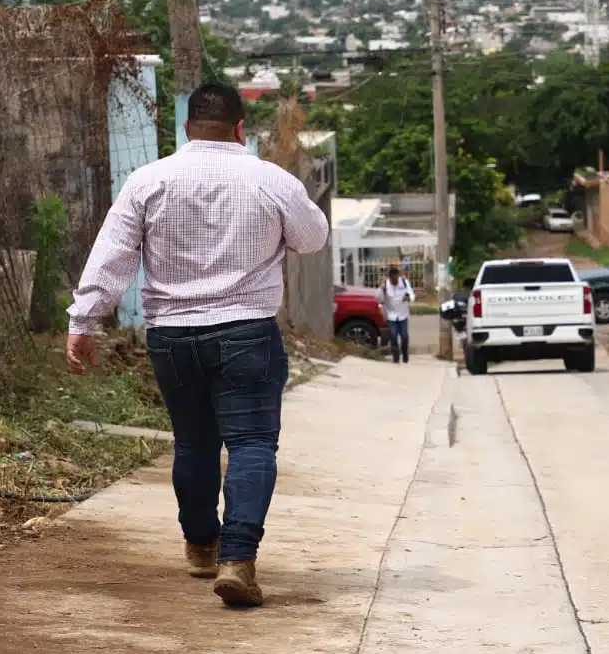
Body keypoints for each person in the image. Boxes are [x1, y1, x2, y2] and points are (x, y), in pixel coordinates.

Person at [65, 81, 329, 609]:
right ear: (239, 129)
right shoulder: (268, 179)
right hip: (246, 333)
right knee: (252, 444)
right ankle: (238, 559)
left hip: (172, 336)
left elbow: (113, 252)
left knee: (193, 444)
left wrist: (84, 320)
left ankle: (201, 545)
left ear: (187, 128)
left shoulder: (149, 180)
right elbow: (313, 238)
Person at [380, 265, 414, 363]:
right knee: (393, 336)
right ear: (389, 278)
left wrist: (408, 297)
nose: (394, 281)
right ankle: (395, 358)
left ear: (398, 276)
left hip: (403, 315)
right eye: (392, 279)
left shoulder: (404, 282)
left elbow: (411, 294)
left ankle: (405, 354)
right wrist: (381, 290)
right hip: (391, 315)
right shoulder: (385, 284)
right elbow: (379, 299)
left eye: (396, 279)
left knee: (404, 337)